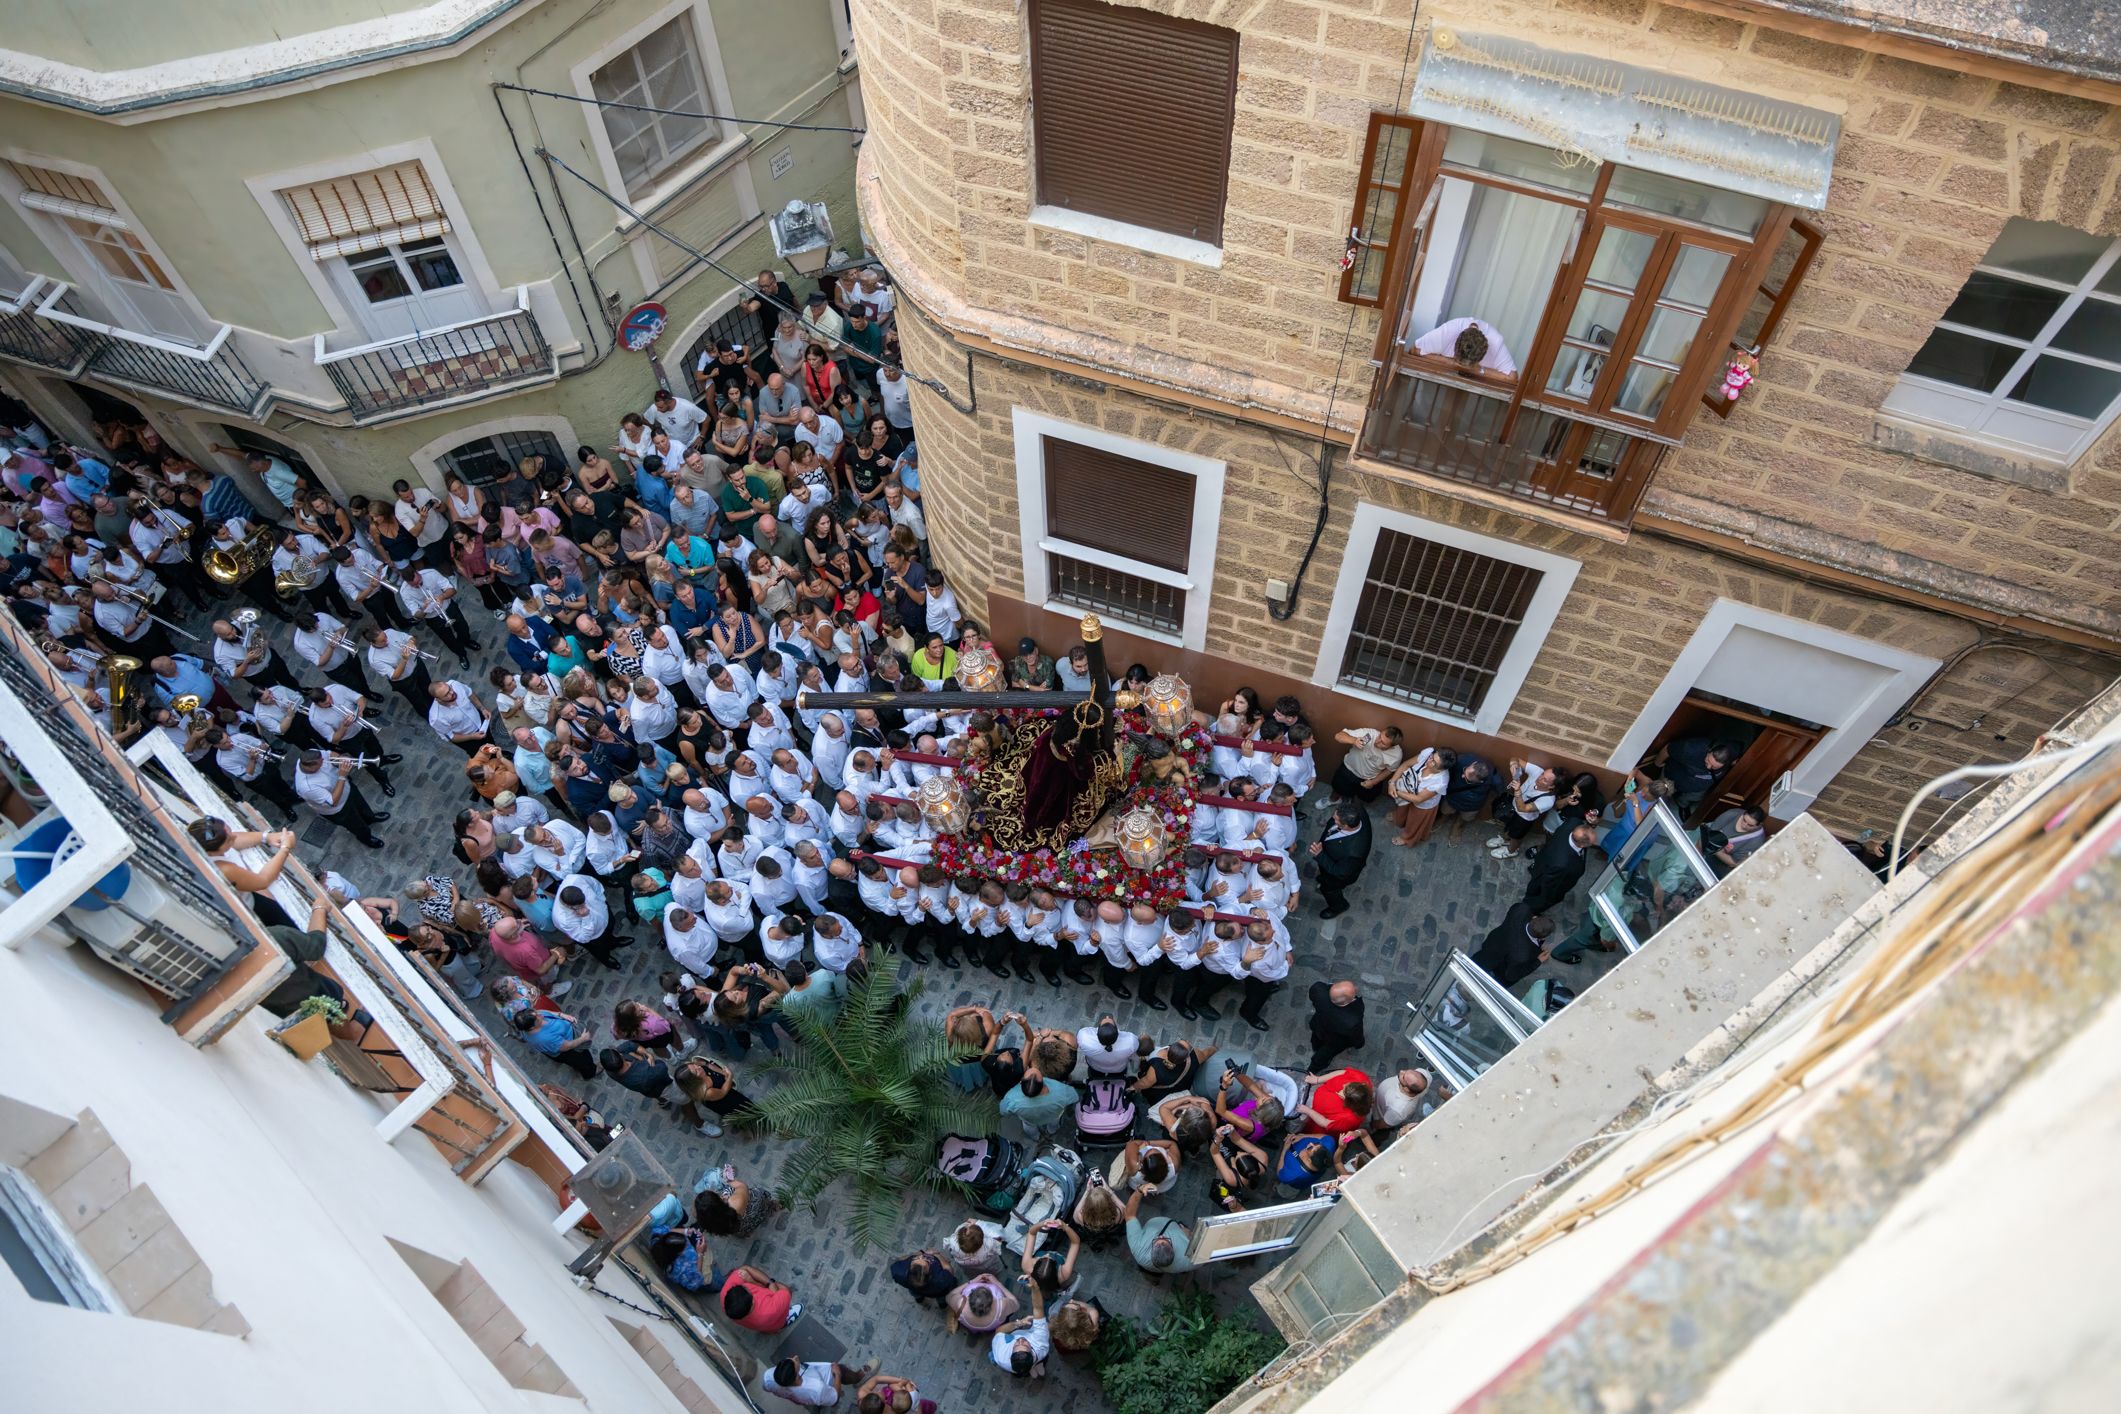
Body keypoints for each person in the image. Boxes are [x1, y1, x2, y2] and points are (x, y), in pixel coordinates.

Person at [1470, 902, 1555, 991]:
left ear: (1535, 918)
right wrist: (1538, 961)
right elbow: (1511, 976)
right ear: (1543, 937)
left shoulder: (1521, 910)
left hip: (1490, 949)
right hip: (1500, 973)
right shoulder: (1522, 955)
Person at [1310, 800, 1372, 919]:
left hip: (1337, 876)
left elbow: (1339, 872)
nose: (1332, 818)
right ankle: (1323, 878)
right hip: (1330, 857)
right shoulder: (1356, 809)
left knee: (1329, 889)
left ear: (1346, 826)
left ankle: (1338, 906)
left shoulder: (1355, 852)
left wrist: (1320, 855)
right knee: (1324, 877)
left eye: (1335, 819)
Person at [1524, 823, 1599, 914]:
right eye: (1592, 843)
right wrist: (1549, 898)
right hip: (1551, 875)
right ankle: (1530, 910)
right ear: (1582, 845)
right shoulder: (1562, 864)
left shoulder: (1573, 822)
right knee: (1540, 898)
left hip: (1548, 858)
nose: (1595, 842)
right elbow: (1549, 885)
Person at [1656, 737, 1739, 817]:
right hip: (1673, 779)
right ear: (1709, 751)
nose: (1708, 767)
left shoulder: (1733, 753)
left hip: (1697, 789)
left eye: (1714, 767)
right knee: (1660, 800)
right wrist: (1657, 763)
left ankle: (1682, 805)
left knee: (1690, 799)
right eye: (1708, 760)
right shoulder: (1691, 748)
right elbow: (1668, 748)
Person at [1122, 1188, 1194, 1276]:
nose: (1161, 1237)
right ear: (1173, 1249)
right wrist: (1186, 1233)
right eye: (1167, 1241)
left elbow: (1129, 1215)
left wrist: (1140, 1190)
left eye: (1156, 1241)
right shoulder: (1189, 1261)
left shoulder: (1138, 1249)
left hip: (1147, 1266)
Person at [1330, 724, 1404, 803]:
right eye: (1380, 736)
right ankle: (1332, 800)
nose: (1377, 741)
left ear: (1391, 747)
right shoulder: (1369, 736)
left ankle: (1354, 805)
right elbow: (1338, 736)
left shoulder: (1396, 755)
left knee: (1366, 798)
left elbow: (1389, 770)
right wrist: (1354, 740)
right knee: (1337, 788)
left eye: (1383, 743)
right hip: (1349, 769)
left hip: (1370, 778)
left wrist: (1373, 782)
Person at [990, 1280, 1050, 1378]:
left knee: (1022, 1370)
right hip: (1038, 1357)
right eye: (1025, 1345)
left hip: (1021, 1366)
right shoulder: (1040, 1343)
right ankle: (1036, 1364)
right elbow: (1038, 1308)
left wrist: (1019, 1323)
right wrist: (1035, 1287)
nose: (1020, 1340)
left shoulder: (1002, 1356)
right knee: (1041, 1359)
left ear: (1010, 1357)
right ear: (1032, 1352)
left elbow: (999, 1331)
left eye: (1016, 1345)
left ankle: (1031, 1368)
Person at [1305, 979, 1366, 1074]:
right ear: (1345, 1003)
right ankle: (1313, 1069)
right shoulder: (1352, 1020)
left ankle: (1315, 1047)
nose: (1356, 988)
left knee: (1316, 1039)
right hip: (1334, 1039)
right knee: (1324, 1055)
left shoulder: (1318, 990)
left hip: (1319, 1026)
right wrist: (1359, 1043)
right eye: (1353, 994)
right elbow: (1356, 1034)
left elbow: (1313, 995)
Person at [999, 1067, 1077, 1141]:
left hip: (1029, 1120)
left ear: (1021, 1082)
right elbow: (1074, 1096)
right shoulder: (1061, 1091)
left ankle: (1036, 1137)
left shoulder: (1012, 1098)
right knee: (1054, 1125)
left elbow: (1003, 1110)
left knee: (1030, 1128)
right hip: (1053, 1117)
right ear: (1043, 1086)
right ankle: (1051, 1131)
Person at [720, 1264, 802, 1331]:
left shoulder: (726, 1296)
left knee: (766, 1328)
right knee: (784, 1289)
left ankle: (769, 1331)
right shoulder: (770, 1310)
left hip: (759, 1325)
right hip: (774, 1319)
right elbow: (785, 1292)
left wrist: (754, 1281)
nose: (748, 1287)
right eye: (747, 1289)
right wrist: (770, 1283)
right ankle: (785, 1320)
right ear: (752, 1302)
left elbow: (745, 1268)